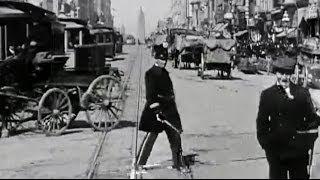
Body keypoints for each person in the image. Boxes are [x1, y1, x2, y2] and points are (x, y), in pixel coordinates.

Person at [256, 60, 320, 179]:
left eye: (287, 73)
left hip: (298, 152)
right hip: (276, 152)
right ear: (276, 73)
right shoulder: (267, 95)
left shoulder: (302, 93)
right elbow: (261, 123)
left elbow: (312, 120)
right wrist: (266, 145)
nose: (284, 77)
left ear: (291, 74)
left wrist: (306, 142)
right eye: (281, 73)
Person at [137, 41, 184, 170]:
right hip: (156, 111)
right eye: (161, 59)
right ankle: (140, 164)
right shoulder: (150, 74)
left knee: (175, 134)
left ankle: (178, 163)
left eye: (165, 59)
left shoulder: (165, 73)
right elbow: (150, 96)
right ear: (156, 58)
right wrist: (157, 112)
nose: (163, 61)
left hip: (169, 109)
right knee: (151, 137)